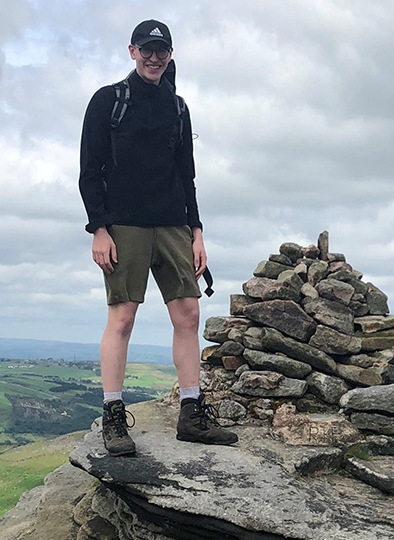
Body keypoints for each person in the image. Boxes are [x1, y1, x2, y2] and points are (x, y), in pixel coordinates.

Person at [78, 19, 237, 456]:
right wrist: (99, 228)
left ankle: (191, 413)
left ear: (170, 55)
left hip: (173, 224)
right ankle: (113, 416)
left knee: (187, 315)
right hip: (124, 225)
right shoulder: (109, 101)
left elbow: (187, 174)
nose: (153, 57)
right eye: (146, 49)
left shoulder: (179, 108)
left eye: (161, 51)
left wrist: (197, 231)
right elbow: (90, 171)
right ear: (131, 51)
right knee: (122, 319)